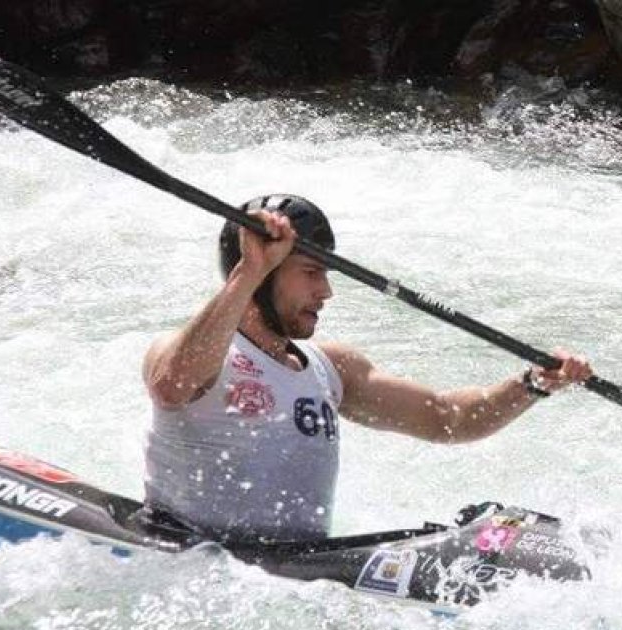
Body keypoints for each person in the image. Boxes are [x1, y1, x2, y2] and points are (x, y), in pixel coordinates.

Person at [141, 194, 591, 542]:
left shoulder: (330, 368)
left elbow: (446, 419)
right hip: (190, 550)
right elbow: (172, 385)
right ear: (261, 273)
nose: (326, 292)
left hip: (296, 566)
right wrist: (250, 269)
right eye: (311, 273)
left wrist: (533, 384)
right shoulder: (193, 353)